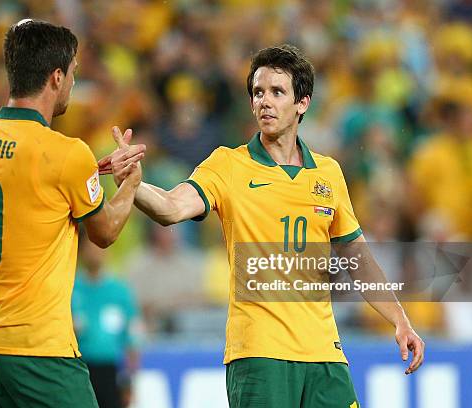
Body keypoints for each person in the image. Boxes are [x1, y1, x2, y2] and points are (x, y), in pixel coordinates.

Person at [103, 45, 425, 407]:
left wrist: (400, 319)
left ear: (302, 103)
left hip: (325, 353)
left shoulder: (328, 173)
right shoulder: (227, 165)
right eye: (258, 93)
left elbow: (357, 257)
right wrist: (133, 184)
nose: (264, 102)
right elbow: (171, 208)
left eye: (277, 92)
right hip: (259, 354)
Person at [0, 20, 145, 408]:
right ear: (55, 77)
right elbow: (105, 232)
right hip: (41, 353)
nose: (72, 85)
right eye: (73, 75)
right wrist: (130, 181)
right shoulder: (67, 152)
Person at [72, 237, 140, 408]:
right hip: (79, 370)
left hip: (111, 371)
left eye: (99, 247)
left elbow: (133, 337)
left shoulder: (120, 291)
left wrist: (130, 380)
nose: (95, 253)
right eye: (90, 248)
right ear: (81, 252)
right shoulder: (70, 288)